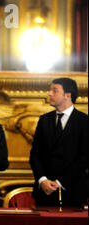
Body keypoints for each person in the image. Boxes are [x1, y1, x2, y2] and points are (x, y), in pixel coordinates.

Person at [30, 78, 88, 207]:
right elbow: (35, 155)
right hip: (44, 192)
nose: (49, 93)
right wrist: (42, 180)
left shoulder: (84, 121)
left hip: (73, 192)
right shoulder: (44, 120)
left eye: (54, 91)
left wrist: (59, 182)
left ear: (68, 95)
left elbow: (84, 158)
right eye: (50, 90)